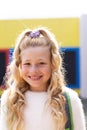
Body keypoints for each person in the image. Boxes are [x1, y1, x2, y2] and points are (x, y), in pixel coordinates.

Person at [0, 27, 86, 130]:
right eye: (27, 63)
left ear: (53, 63)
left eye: (41, 63)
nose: (34, 70)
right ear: (20, 65)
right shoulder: (9, 100)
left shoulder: (70, 100)